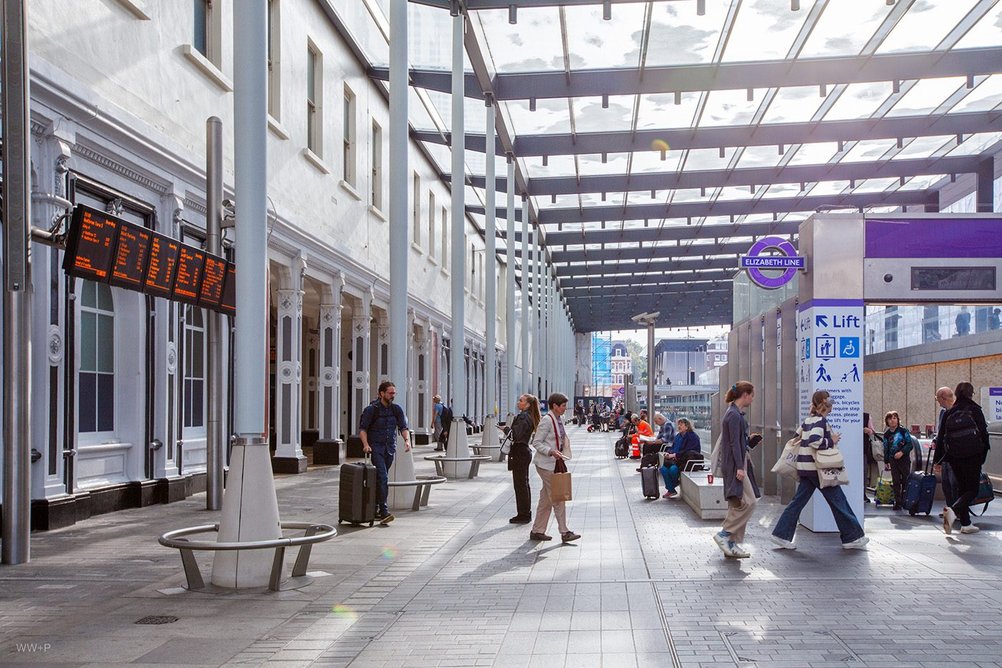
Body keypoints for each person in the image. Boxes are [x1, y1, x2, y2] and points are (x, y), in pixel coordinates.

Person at [770, 390, 869, 550]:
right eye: (829, 400)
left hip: (806, 468)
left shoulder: (808, 420)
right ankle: (852, 537)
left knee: (798, 503)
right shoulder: (820, 422)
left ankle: (781, 535)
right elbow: (814, 442)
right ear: (824, 402)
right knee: (839, 502)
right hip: (817, 469)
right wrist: (831, 440)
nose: (832, 404)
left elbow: (798, 436)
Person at [934, 382, 991, 535]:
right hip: (973, 457)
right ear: (970, 394)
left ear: (957, 394)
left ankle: (966, 524)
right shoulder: (975, 410)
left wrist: (937, 461)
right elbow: (984, 435)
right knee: (972, 490)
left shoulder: (949, 413)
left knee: (962, 490)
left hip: (955, 458)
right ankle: (952, 511)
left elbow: (940, 439)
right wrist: (982, 455)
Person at [712, 381, 761, 559]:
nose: (753, 398)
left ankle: (732, 544)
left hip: (736, 464)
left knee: (737, 503)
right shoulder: (733, 415)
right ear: (745, 395)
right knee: (750, 502)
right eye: (752, 394)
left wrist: (749, 442)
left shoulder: (734, 414)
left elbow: (737, 441)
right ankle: (725, 535)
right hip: (736, 465)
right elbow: (733, 443)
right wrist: (740, 467)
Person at [529, 392, 580, 544]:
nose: (565, 408)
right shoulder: (547, 421)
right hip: (545, 464)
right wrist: (550, 451)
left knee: (546, 499)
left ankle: (537, 530)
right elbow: (536, 442)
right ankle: (564, 532)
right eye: (563, 406)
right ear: (555, 406)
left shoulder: (559, 419)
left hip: (553, 463)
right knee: (558, 497)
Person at [359, 381, 411, 523]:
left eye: (394, 393)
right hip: (376, 448)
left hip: (390, 448)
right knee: (383, 477)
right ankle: (384, 510)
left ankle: (374, 507)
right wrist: (366, 445)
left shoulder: (396, 410)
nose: (392, 395)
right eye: (390, 393)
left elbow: (403, 427)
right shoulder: (372, 409)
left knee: (381, 478)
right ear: (381, 393)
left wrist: (406, 440)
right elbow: (363, 429)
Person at [508, 394, 540, 525]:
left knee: (520, 484)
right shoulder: (530, 416)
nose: (518, 402)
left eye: (521, 400)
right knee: (523, 483)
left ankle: (523, 514)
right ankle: (525, 513)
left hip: (520, 452)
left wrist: (506, 429)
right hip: (524, 451)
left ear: (527, 404)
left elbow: (516, 434)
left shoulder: (523, 416)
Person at [661, 418, 701, 500]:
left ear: (687, 427)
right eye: (678, 424)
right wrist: (669, 452)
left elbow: (689, 451)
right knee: (663, 469)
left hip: (685, 461)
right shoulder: (678, 436)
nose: (679, 426)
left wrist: (675, 455)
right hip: (675, 460)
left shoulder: (692, 437)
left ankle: (671, 487)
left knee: (673, 469)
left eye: (681, 424)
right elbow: (673, 447)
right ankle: (671, 489)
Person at [882, 411, 912, 510]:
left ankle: (905, 500)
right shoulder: (886, 434)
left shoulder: (903, 431)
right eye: (890, 418)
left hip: (904, 459)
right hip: (893, 460)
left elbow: (909, 444)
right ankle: (897, 502)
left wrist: (902, 452)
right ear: (887, 421)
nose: (892, 420)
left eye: (895, 418)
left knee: (905, 479)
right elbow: (886, 448)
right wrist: (886, 461)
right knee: (896, 481)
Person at [933, 387, 958, 509]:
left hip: (956, 454)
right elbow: (940, 432)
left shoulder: (958, 410)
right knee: (946, 484)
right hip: (944, 454)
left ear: (943, 398)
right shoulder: (943, 413)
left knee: (955, 483)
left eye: (938, 399)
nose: (938, 402)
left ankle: (957, 510)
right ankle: (950, 508)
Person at [862, 412, 878, 503]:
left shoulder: (866, 416)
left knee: (863, 472)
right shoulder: (866, 416)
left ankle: (863, 494)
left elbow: (872, 431)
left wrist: (867, 430)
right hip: (859, 448)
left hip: (863, 449)